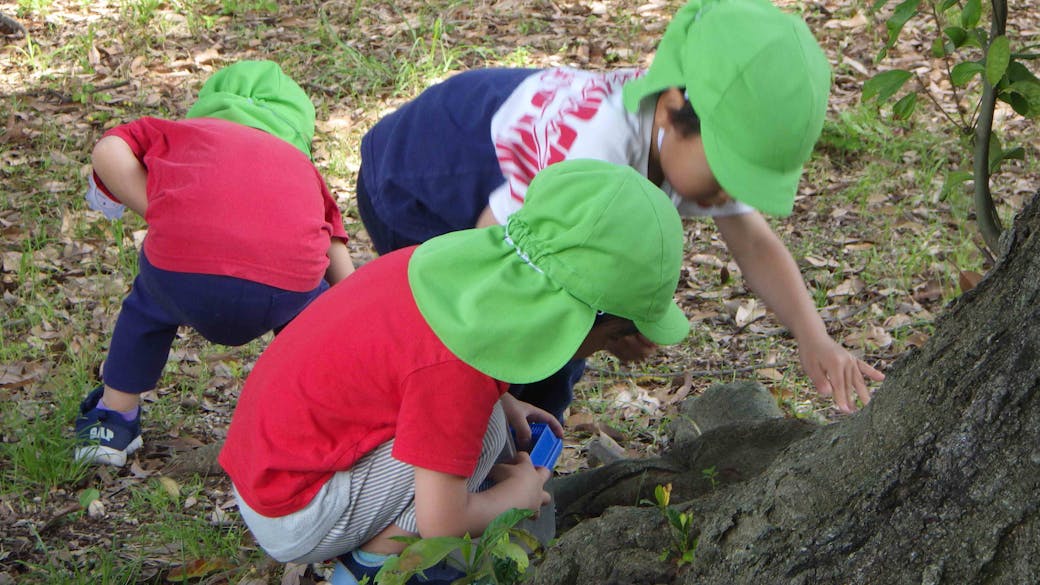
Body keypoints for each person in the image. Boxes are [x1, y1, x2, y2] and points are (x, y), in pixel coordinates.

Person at [355, 0, 884, 416]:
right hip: (418, 182)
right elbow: (491, 263)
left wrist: (814, 338)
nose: (728, 195)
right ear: (674, 106)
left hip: (504, 192)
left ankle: (519, 450)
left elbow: (754, 241)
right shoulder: (592, 151)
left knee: (563, 335)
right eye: (726, 174)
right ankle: (451, 460)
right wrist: (506, 381)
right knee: (463, 342)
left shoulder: (682, 133)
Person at [218, 160, 691, 584]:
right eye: (612, 338)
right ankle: (370, 566)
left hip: (269, 467)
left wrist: (504, 397)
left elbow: (408, 364)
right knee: (481, 435)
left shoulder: (447, 276)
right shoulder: (460, 364)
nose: (607, 350)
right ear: (585, 315)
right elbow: (444, 521)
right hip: (292, 508)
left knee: (485, 419)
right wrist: (518, 496)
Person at [74, 60, 355, 467]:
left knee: (147, 308)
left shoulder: (180, 133)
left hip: (180, 269)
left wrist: (159, 211)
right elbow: (335, 254)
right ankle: (323, 422)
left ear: (208, 106)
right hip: (287, 285)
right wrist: (353, 315)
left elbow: (107, 150)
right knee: (311, 326)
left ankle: (113, 420)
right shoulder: (305, 171)